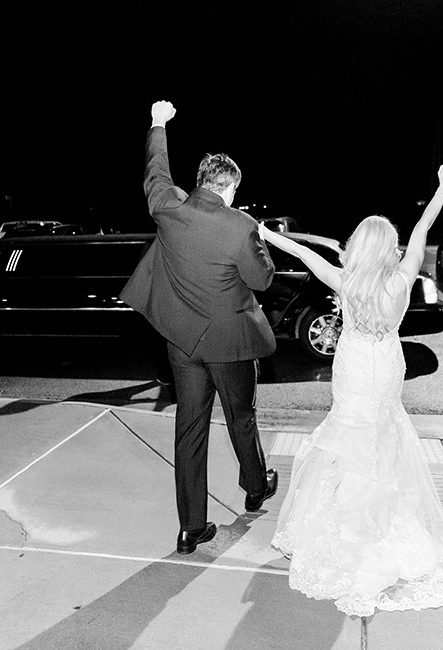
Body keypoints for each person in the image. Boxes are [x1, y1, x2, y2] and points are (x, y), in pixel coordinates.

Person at [263, 164, 443, 616]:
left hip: (355, 367)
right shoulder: (402, 280)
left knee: (348, 434)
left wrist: (263, 232)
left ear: (360, 246)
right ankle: (379, 516)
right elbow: (421, 229)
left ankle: (350, 522)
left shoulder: (345, 281)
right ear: (389, 249)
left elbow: (300, 252)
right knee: (384, 433)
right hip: (387, 366)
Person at [121, 100, 279, 555]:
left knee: (190, 429)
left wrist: (157, 123)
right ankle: (255, 488)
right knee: (241, 417)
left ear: (201, 182)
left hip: (183, 344)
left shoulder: (169, 207)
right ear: (229, 187)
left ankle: (191, 528)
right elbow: (262, 280)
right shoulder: (241, 225)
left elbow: (155, 171)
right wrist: (260, 241)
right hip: (229, 344)